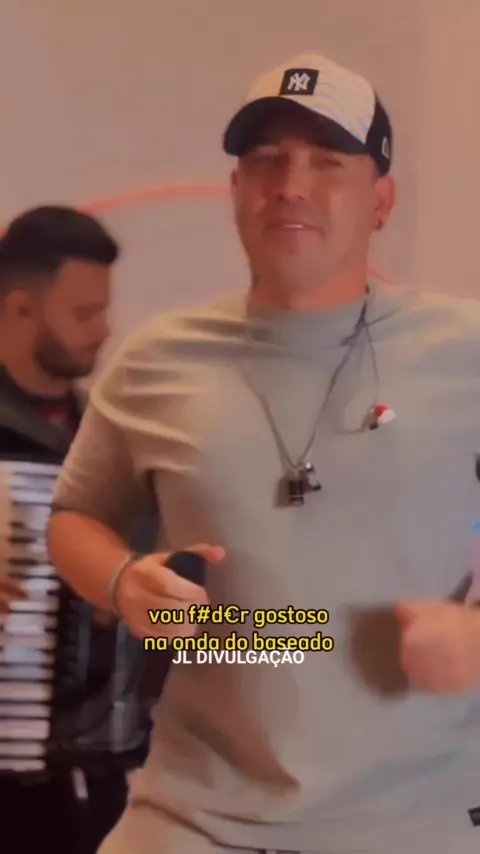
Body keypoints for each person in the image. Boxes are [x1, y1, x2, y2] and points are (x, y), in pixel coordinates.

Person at [48, 52, 480, 854]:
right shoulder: (155, 360)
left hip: (420, 820)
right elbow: (76, 516)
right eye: (266, 159)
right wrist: (120, 578)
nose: (290, 185)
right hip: (194, 816)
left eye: (327, 161)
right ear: (237, 190)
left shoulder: (465, 350)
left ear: (381, 201)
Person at [0, 206, 155, 854]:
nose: (104, 329)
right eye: (85, 313)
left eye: (104, 311)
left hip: (90, 777)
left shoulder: (107, 439)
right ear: (20, 309)